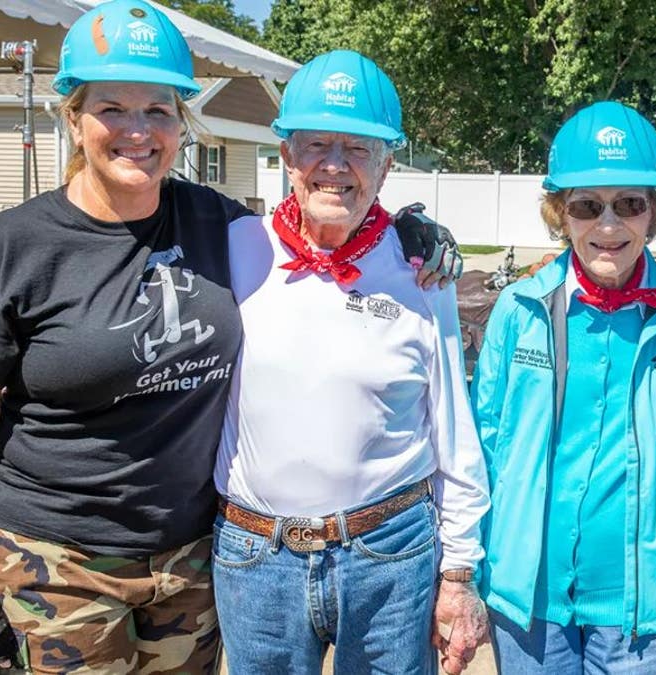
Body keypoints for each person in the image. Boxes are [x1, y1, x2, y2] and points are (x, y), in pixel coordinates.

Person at [0, 3, 460, 673]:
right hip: (58, 562)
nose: (137, 131)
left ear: (182, 124)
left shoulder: (219, 226)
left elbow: (323, 221)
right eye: (113, 108)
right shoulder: (14, 246)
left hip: (189, 560)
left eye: (160, 111)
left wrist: (410, 232)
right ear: (75, 118)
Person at [210, 49, 490, 675]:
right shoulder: (234, 247)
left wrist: (459, 571)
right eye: (315, 145)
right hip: (257, 559)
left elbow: (454, 430)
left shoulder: (424, 271)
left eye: (359, 149)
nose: (334, 166)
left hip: (389, 557)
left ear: (387, 165)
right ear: (286, 155)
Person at [472, 101, 656, 674]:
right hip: (529, 599)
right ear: (560, 213)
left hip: (638, 608)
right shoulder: (519, 310)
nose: (608, 225)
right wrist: (466, 571)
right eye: (586, 206)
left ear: (654, 214)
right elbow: (483, 444)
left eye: (629, 204)